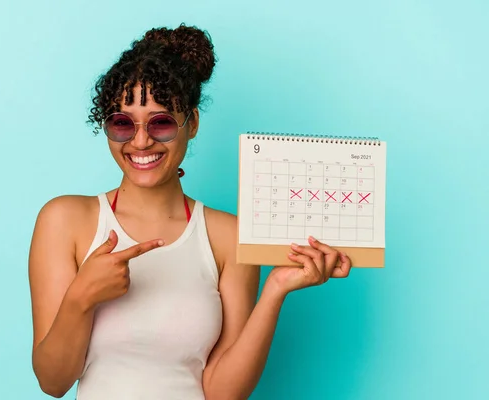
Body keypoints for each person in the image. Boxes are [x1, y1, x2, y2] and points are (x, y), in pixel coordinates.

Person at [28, 24, 352, 400]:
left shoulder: (229, 236)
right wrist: (81, 296)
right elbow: (54, 383)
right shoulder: (65, 220)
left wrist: (275, 290)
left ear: (192, 123)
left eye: (161, 122)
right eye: (122, 123)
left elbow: (221, 392)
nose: (141, 141)